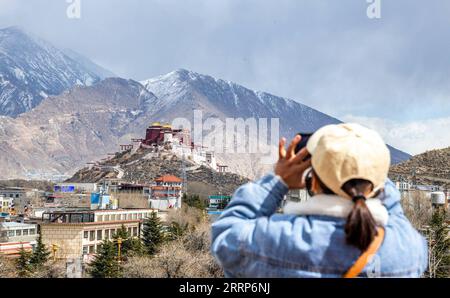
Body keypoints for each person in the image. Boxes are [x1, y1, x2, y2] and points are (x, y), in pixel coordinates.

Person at [211, 123, 428, 277]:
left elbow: (226, 235)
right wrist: (365, 161)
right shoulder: (409, 248)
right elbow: (393, 209)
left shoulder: (278, 239)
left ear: (313, 181)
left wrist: (279, 180)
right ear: (378, 182)